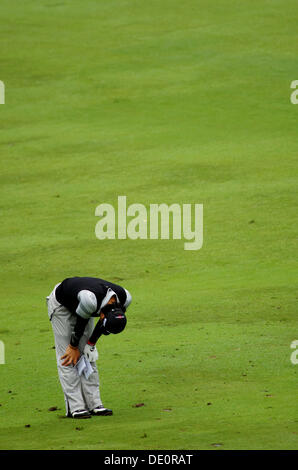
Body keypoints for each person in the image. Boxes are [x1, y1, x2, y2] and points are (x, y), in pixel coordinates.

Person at [46, 276, 132, 419]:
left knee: (88, 356)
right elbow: (81, 323)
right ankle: (76, 407)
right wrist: (73, 346)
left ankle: (95, 404)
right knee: (67, 356)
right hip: (61, 304)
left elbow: (102, 324)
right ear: (102, 314)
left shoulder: (125, 298)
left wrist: (91, 344)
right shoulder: (89, 301)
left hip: (86, 306)